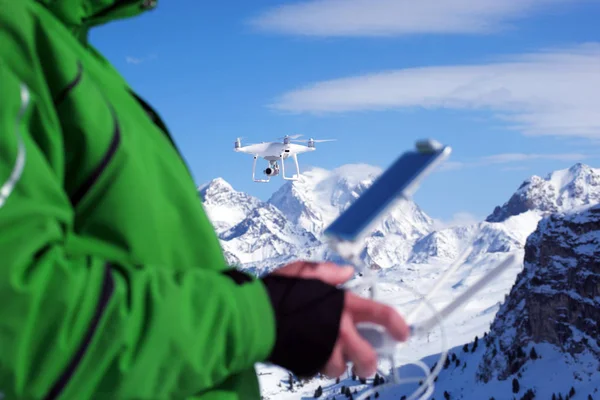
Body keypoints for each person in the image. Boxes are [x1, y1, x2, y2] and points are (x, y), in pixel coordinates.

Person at [0, 1, 410, 399]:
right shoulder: (16, 40)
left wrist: (271, 300)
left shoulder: (74, 56)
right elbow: (25, 323)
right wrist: (259, 317)